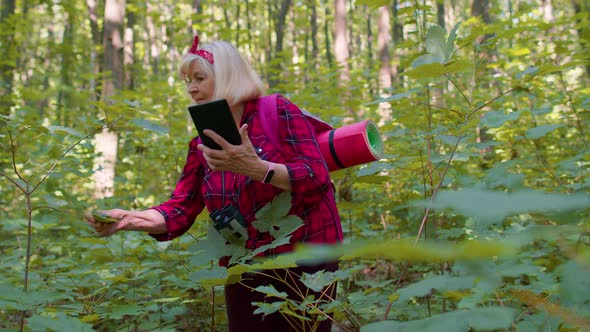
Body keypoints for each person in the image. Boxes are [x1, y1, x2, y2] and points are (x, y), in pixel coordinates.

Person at [84, 34, 343, 331]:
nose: (191, 87)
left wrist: (257, 168)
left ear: (227, 76)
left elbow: (316, 176)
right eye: (186, 80)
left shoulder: (277, 111)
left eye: (199, 77)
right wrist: (129, 219)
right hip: (245, 262)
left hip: (307, 257)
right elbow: (180, 208)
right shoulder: (201, 144)